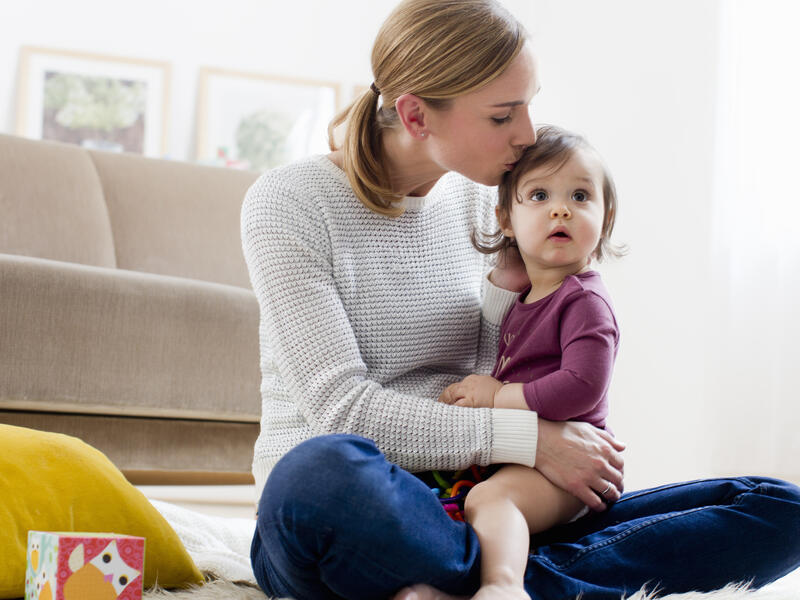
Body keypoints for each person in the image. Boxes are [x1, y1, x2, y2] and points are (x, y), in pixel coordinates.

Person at [241, 1, 800, 599]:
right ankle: (521, 578)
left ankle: (490, 580)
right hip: (373, 509)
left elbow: (506, 367)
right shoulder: (290, 204)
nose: (529, 134)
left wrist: (543, 468)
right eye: (504, 115)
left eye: (529, 105)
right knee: (318, 475)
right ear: (415, 115)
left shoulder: (494, 207)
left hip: (482, 498)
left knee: (777, 507)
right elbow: (342, 412)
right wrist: (536, 441)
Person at [435, 125, 624, 600]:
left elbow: (582, 386)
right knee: (451, 506)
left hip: (564, 471)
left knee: (491, 499)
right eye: (539, 195)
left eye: (580, 196)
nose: (561, 208)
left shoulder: (584, 301)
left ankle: (504, 588)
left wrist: (497, 397)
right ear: (505, 218)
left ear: (605, 218)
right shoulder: (530, 294)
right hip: (523, 458)